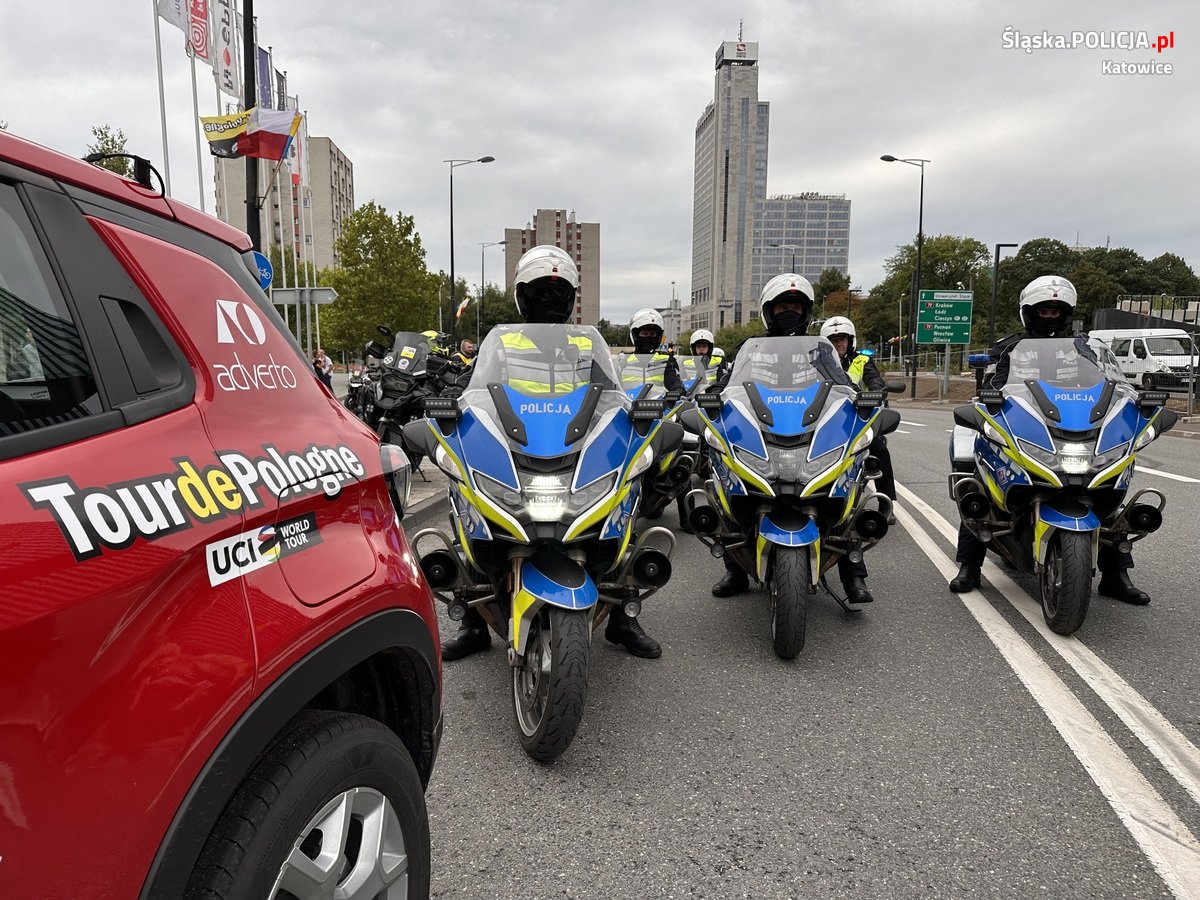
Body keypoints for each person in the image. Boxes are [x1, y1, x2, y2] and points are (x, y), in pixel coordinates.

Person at [441, 245, 663, 661]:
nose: (550, 298)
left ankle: (623, 618)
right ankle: (472, 622)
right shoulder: (502, 341)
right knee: (468, 498)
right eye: (541, 290)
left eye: (558, 291)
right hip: (517, 439)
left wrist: (634, 416)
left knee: (623, 500)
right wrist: (454, 402)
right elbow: (477, 386)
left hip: (575, 440)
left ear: (571, 296)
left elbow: (611, 392)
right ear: (522, 295)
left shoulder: (587, 341)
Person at [949, 275, 1150, 604]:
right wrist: (989, 399)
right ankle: (969, 566)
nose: (1050, 316)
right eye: (1043, 310)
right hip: (1027, 426)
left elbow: (1111, 383)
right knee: (980, 485)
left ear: (1066, 313)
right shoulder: (1009, 347)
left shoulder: (1086, 348)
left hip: (1078, 426)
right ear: (1029, 312)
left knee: (1107, 491)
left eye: (1056, 310)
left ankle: (1116, 575)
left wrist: (1132, 401)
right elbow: (994, 387)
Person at [707, 275, 874, 605]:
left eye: (795, 307)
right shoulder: (752, 348)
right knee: (725, 474)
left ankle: (853, 573)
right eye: (782, 306)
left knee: (850, 480)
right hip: (763, 426)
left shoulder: (820, 350)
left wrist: (859, 398)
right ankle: (735, 570)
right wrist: (713, 395)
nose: (789, 313)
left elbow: (841, 383)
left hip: (810, 426)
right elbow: (729, 382)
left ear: (806, 312)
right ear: (769, 312)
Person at [819, 316, 896, 502]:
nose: (838, 344)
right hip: (823, 418)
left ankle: (886, 502)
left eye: (842, 339)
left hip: (857, 417)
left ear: (850, 340)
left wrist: (877, 393)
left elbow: (874, 381)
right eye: (833, 340)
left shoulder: (862, 360)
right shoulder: (817, 364)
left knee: (880, 450)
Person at [623, 308, 684, 394]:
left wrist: (677, 390)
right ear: (635, 335)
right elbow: (613, 386)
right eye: (645, 334)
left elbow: (674, 381)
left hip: (657, 402)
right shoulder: (624, 362)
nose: (649, 337)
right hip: (628, 402)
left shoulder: (665, 361)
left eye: (652, 334)